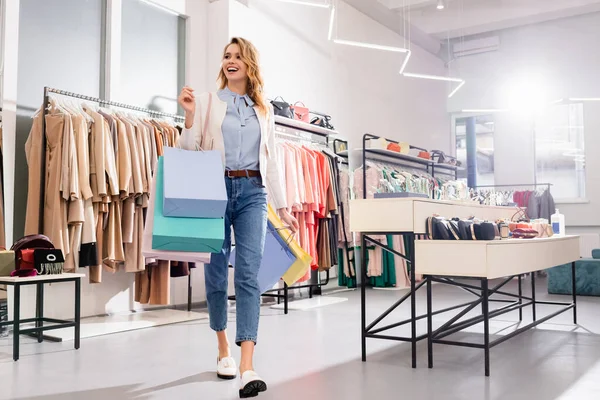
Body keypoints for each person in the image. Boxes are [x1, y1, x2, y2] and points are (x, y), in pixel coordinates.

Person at [178, 37, 299, 398]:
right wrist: (187, 117)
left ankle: (248, 366)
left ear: (249, 64)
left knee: (248, 276)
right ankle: (222, 349)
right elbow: (189, 151)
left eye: (237, 56)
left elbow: (272, 160)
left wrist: (283, 206)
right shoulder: (207, 102)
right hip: (214, 191)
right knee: (216, 276)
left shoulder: (264, 109)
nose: (231, 61)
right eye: (227, 57)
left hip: (253, 193)